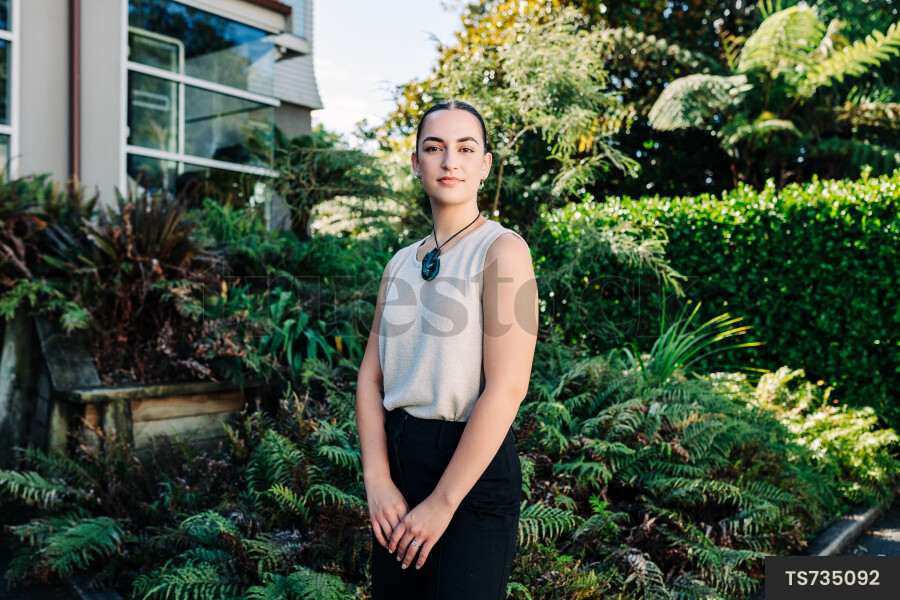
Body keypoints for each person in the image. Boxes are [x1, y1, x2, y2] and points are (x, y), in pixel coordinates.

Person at [355, 99, 539, 599]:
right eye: (434, 148)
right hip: (397, 465)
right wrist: (377, 479)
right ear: (416, 163)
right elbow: (371, 381)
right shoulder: (398, 264)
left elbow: (507, 388)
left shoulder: (503, 250)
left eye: (465, 148)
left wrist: (443, 501)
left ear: (485, 165)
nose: (449, 161)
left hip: (470, 475)